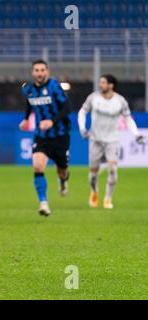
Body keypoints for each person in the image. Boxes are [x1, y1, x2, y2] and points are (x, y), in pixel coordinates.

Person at [78, 74, 145, 209]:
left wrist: (136, 134)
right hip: (95, 139)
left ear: (110, 85)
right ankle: (94, 192)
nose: (100, 85)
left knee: (113, 169)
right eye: (100, 82)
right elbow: (82, 112)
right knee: (93, 175)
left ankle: (108, 199)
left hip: (112, 140)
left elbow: (128, 119)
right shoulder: (93, 98)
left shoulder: (120, 101)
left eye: (103, 82)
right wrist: (82, 128)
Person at [19, 59, 71, 216]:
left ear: (47, 72)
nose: (40, 73)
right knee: (37, 166)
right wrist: (26, 118)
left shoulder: (54, 86)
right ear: (32, 72)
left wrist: (52, 121)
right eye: (37, 70)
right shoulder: (28, 89)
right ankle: (43, 203)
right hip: (41, 136)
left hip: (60, 135)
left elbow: (67, 108)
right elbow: (30, 104)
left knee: (62, 169)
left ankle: (62, 181)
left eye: (42, 70)